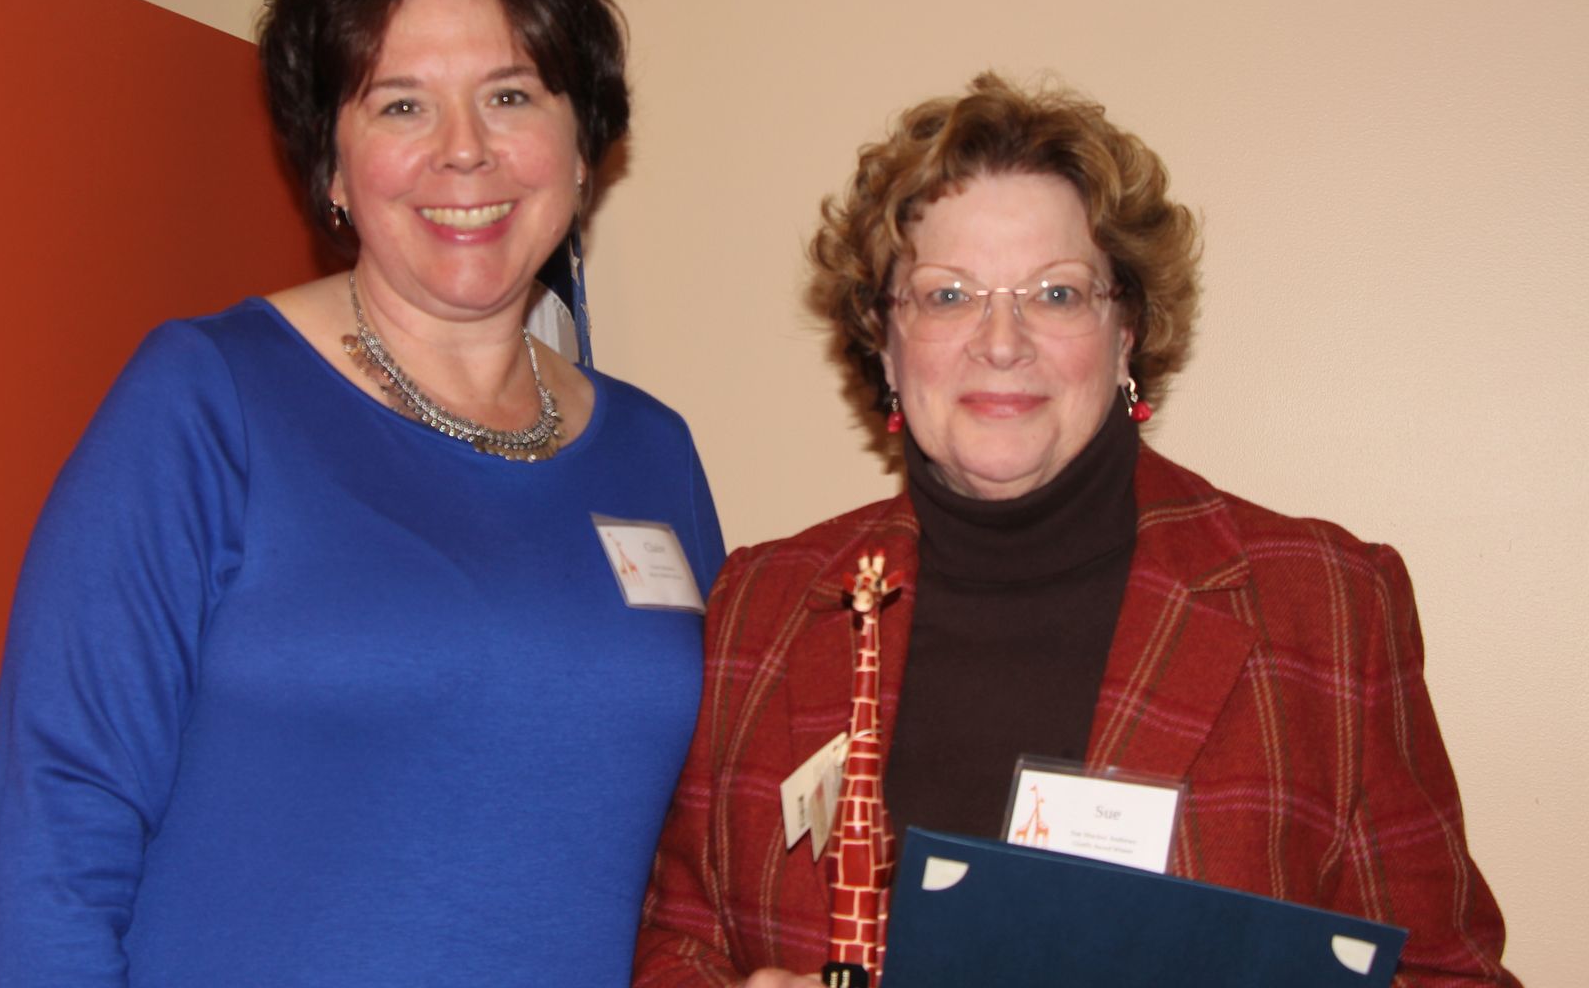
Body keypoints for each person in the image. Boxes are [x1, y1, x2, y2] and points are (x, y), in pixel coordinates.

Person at [0, 0, 724, 986]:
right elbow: (56, 821)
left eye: (510, 95)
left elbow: (694, 856)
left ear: (581, 141)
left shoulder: (654, 452)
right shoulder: (206, 398)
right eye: (401, 103)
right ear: (331, 161)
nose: (464, 147)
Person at [633, 73, 1516, 987]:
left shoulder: (1323, 602)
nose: (1001, 340)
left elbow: (1447, 971)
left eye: (1055, 295)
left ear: (1126, 331)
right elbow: (680, 939)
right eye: (947, 296)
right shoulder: (766, 604)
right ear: (884, 343)